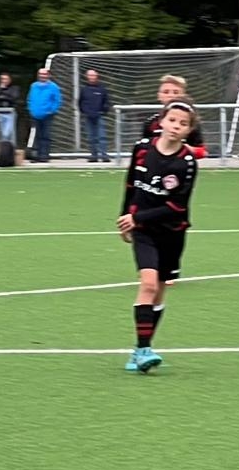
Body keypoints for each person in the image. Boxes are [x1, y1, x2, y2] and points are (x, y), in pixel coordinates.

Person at [118, 104, 198, 374]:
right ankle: (143, 350)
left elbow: (177, 206)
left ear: (188, 130)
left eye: (183, 123)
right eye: (172, 119)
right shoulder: (142, 148)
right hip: (144, 231)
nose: (176, 126)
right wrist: (126, 218)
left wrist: (136, 217)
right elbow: (130, 185)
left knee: (160, 290)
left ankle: (140, 348)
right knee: (149, 284)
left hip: (172, 232)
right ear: (161, 121)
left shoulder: (186, 162)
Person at [141, 75, 207, 158]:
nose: (170, 95)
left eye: (176, 92)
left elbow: (202, 152)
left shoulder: (191, 122)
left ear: (183, 95)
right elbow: (144, 149)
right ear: (159, 96)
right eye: (166, 92)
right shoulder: (151, 122)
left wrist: (182, 149)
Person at [26, 68, 63, 164]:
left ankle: (44, 155)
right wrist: (31, 109)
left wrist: (52, 110)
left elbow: (57, 100)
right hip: (35, 114)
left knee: (46, 136)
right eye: (41, 74)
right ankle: (37, 155)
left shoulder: (53, 87)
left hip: (47, 115)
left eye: (44, 74)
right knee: (37, 136)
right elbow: (29, 99)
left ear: (48, 75)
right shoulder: (33, 86)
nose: (42, 76)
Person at [78, 69, 113, 163]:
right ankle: (94, 156)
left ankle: (104, 155)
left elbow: (106, 101)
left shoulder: (102, 89)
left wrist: (103, 111)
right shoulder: (84, 89)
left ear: (97, 76)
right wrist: (85, 112)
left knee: (102, 137)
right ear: (87, 77)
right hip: (88, 117)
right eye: (90, 75)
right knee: (91, 137)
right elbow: (81, 102)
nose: (92, 77)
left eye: (93, 75)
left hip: (99, 116)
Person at [0, 72, 21, 145]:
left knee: (6, 134)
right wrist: (0, 90)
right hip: (0, 113)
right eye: (2, 79)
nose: (3, 81)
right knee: (3, 134)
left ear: (10, 79)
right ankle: (6, 148)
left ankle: (7, 148)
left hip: (10, 114)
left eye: (5, 79)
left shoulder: (15, 88)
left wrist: (2, 96)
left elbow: (13, 98)